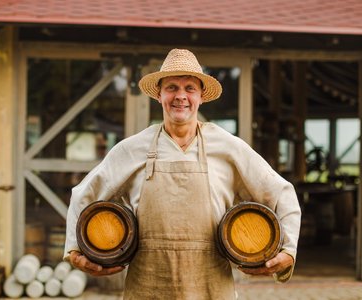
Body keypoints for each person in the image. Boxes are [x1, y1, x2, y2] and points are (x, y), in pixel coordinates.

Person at [64, 48, 301, 299]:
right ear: (159, 94)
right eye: (172, 88)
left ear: (201, 96)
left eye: (189, 88)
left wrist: (288, 251)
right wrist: (75, 251)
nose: (181, 96)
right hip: (148, 287)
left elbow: (281, 192)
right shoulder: (133, 148)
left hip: (210, 288)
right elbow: (84, 193)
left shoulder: (227, 146)